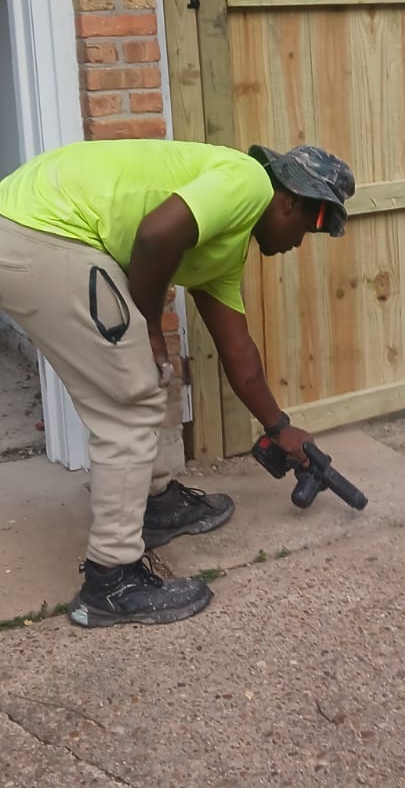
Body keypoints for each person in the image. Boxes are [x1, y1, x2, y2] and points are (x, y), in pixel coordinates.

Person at [0, 138, 354, 629]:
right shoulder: (249, 182)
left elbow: (239, 353)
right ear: (288, 200)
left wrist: (281, 427)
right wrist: (149, 326)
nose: (303, 241)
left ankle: (153, 504)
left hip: (35, 229)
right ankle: (111, 580)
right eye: (314, 223)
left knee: (138, 380)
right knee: (129, 401)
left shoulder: (224, 250)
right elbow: (155, 234)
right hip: (41, 231)